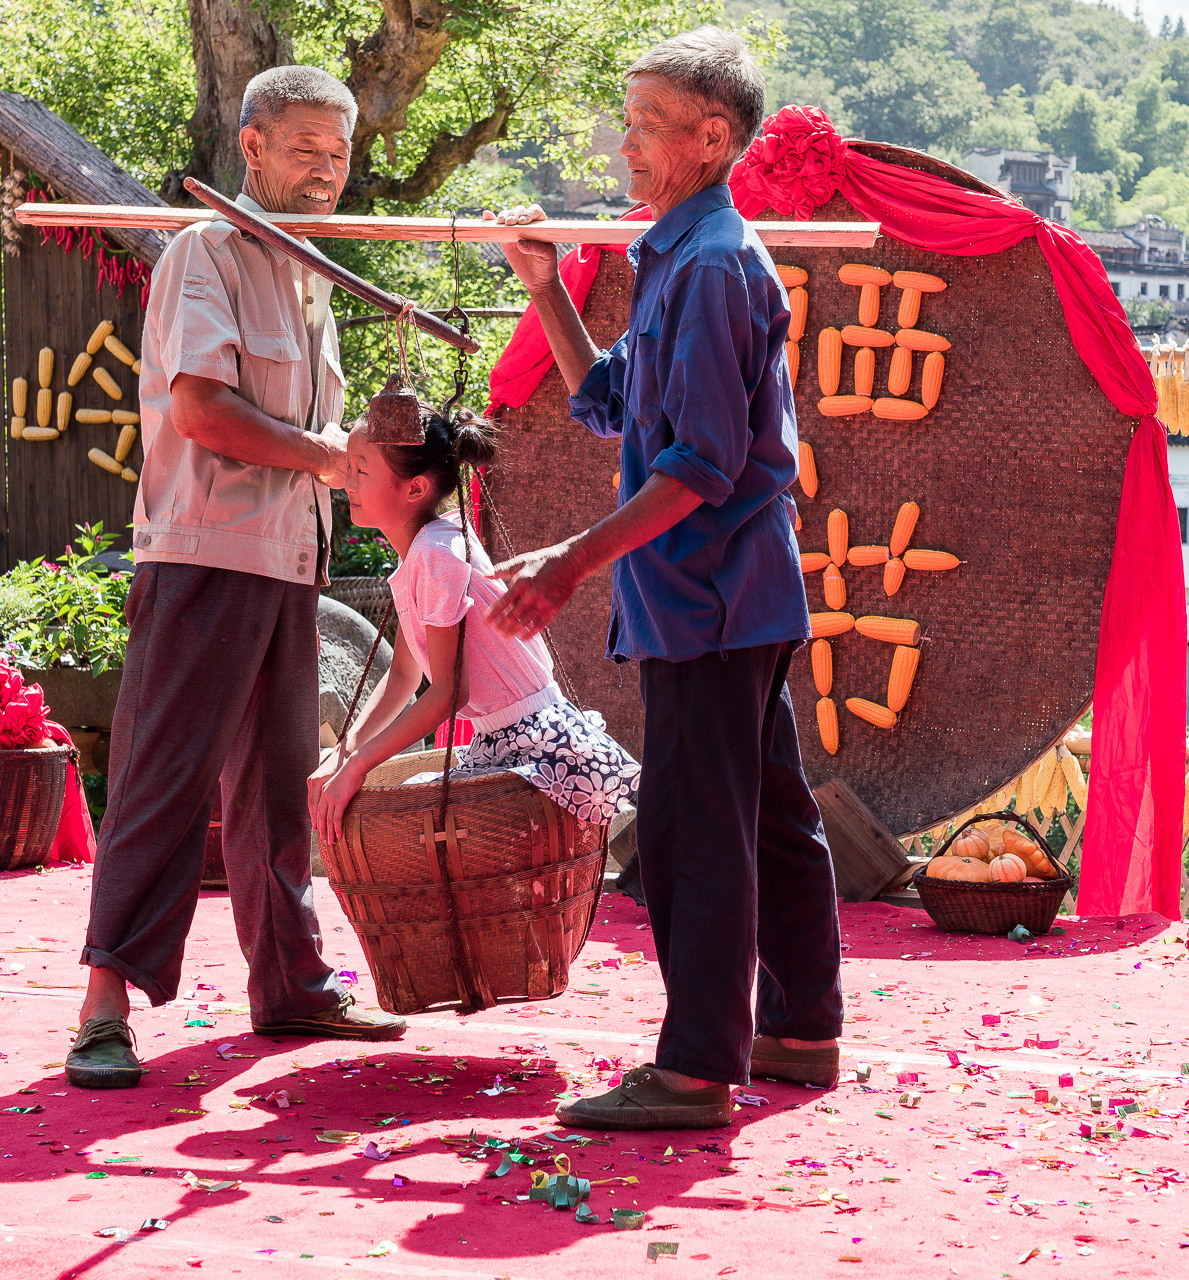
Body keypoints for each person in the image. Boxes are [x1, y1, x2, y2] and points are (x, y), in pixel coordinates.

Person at [489, 26, 844, 1130]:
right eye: (628, 122)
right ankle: (799, 1028)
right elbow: (607, 403)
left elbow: (700, 463)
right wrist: (546, 290)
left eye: (644, 127)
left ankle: (696, 1064)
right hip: (730, 593)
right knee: (771, 812)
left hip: (708, 595)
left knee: (700, 827)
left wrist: (563, 565)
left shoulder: (709, 265)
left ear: (710, 137)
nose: (624, 147)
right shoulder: (678, 258)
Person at [68, 65, 407, 1090]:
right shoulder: (203, 255)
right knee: (163, 778)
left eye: (338, 151)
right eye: (302, 145)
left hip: (290, 558)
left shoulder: (314, 273)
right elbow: (203, 413)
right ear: (250, 146)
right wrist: (328, 457)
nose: (323, 166)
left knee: (272, 781)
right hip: (203, 552)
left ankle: (291, 981)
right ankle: (102, 1006)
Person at [307, 410, 639, 839]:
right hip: (506, 738)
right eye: (349, 467)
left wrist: (356, 765)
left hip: (537, 745)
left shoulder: (436, 556)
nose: (347, 482)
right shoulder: (425, 550)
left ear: (416, 488)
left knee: (411, 824)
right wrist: (345, 750)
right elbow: (405, 676)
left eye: (361, 470)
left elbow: (448, 692)